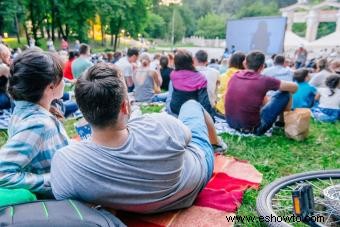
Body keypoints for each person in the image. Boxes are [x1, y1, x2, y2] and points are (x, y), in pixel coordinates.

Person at [51, 63, 223, 213]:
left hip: (151, 203)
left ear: (82, 111)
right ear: (125, 106)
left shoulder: (65, 163)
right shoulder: (161, 125)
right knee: (191, 105)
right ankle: (216, 144)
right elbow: (188, 139)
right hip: (195, 177)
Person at [0, 50, 69, 195]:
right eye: (62, 77)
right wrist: (54, 179)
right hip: (61, 202)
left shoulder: (26, 110)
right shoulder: (38, 123)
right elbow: (2, 174)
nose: (65, 82)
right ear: (50, 86)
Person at [225, 51, 297, 135]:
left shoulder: (235, 75)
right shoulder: (264, 80)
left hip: (231, 124)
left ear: (245, 63)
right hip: (253, 129)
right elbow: (294, 87)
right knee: (286, 94)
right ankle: (282, 123)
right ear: (262, 67)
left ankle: (281, 121)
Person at [170, 50, 215, 119]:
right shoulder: (200, 78)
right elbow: (204, 101)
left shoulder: (173, 74)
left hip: (175, 108)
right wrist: (211, 118)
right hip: (192, 110)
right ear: (192, 61)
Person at [215, 52, 245, 116]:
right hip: (239, 114)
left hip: (221, 110)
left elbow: (217, 94)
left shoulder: (222, 76)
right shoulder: (248, 78)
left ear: (230, 62)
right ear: (244, 63)